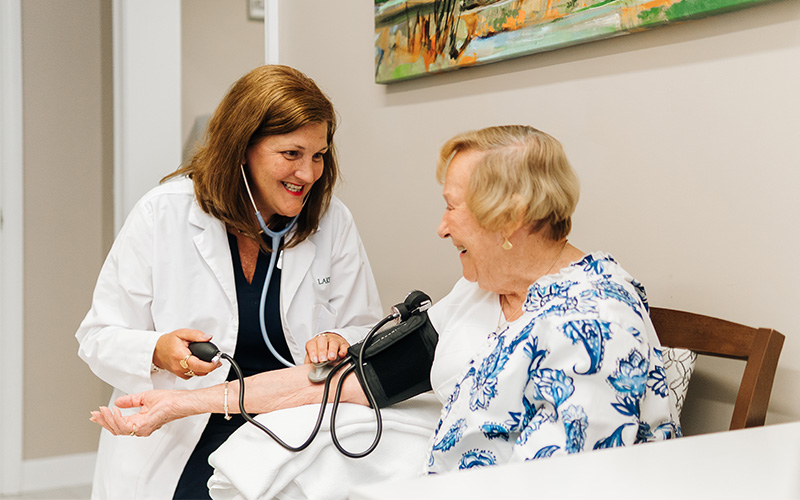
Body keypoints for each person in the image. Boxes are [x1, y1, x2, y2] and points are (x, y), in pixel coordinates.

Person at [90, 125, 679, 495]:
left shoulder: (591, 325)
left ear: (510, 218)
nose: (441, 228)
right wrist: (179, 403)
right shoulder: (481, 295)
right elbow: (348, 381)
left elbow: (575, 481)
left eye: (453, 209)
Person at [76, 64, 383, 499]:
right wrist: (158, 351)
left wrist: (337, 338)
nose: (309, 174)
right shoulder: (162, 214)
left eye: (318, 155)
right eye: (291, 154)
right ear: (242, 148)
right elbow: (97, 336)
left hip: (289, 434)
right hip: (185, 437)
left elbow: (364, 328)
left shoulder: (332, 222)